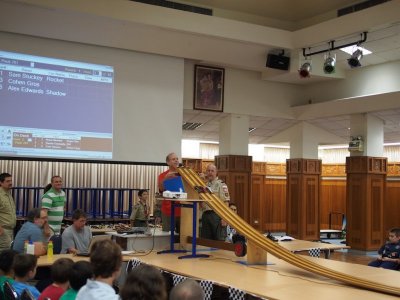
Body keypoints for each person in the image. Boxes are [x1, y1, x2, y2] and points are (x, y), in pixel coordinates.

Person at [200, 164, 230, 240]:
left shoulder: (221, 185)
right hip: (206, 215)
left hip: (217, 215)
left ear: (216, 172)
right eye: (208, 171)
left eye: (212, 171)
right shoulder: (204, 185)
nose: (210, 173)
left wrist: (225, 218)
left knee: (218, 240)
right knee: (206, 241)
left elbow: (226, 202)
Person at [158, 153, 181, 232]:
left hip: (183, 211)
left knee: (181, 237)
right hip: (168, 211)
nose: (176, 161)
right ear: (168, 162)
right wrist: (165, 179)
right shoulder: (162, 175)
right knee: (167, 237)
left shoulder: (183, 175)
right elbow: (161, 190)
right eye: (173, 159)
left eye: (177, 159)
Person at [0, 173, 16, 252]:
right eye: (7, 181)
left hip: (10, 230)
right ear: (1, 182)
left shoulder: (9, 194)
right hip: (3, 230)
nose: (10, 183)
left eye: (11, 180)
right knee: (3, 253)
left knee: (8, 252)